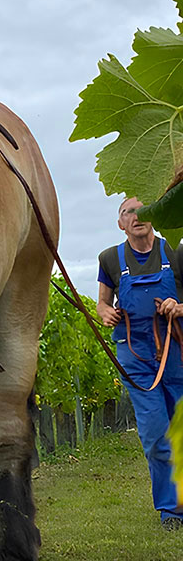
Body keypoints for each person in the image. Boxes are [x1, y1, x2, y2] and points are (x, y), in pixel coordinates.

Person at [97, 197, 183, 528]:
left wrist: (178, 306)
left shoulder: (175, 251)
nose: (137, 216)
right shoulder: (109, 259)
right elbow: (102, 303)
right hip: (135, 357)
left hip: (175, 352)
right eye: (128, 212)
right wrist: (105, 312)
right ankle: (171, 510)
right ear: (120, 223)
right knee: (157, 433)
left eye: (144, 210)